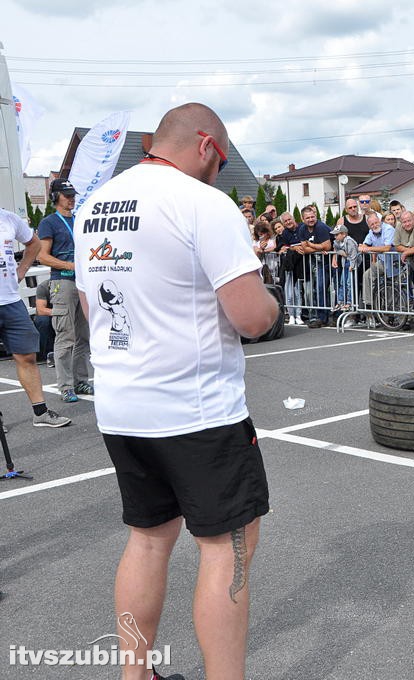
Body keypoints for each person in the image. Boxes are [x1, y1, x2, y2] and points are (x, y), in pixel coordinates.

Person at [73, 102, 278, 680]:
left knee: (147, 540)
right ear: (208, 145)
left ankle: (135, 677)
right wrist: (272, 305)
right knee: (226, 550)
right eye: (223, 157)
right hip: (197, 411)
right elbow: (251, 317)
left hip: (122, 406)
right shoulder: (203, 203)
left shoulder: (95, 207)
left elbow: (94, 311)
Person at [0, 209, 70, 428]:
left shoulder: (8, 218)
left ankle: (40, 412)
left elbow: (34, 244)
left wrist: (21, 270)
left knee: (27, 356)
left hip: (10, 300)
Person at [37, 178, 92, 403]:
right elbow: (42, 256)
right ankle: (66, 386)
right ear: (55, 197)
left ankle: (81, 381)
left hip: (83, 283)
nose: (71, 198)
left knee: (83, 336)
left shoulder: (79, 220)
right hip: (63, 282)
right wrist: (71, 265)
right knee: (66, 336)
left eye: (72, 194)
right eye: (66, 194)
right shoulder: (49, 222)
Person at [330, 223, 358, 311]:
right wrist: (340, 252)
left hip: (350, 263)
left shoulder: (349, 241)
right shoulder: (337, 242)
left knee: (349, 283)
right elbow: (336, 248)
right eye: (334, 235)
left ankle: (349, 302)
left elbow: (354, 254)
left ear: (344, 234)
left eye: (337, 234)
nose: (335, 237)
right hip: (344, 263)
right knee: (342, 282)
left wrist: (352, 265)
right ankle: (341, 301)